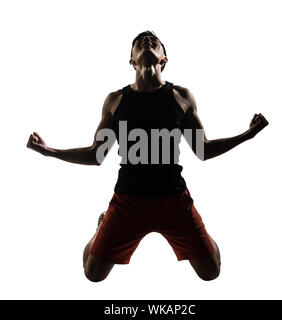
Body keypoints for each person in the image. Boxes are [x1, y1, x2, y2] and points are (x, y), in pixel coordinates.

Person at [27, 31, 268, 282]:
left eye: (154, 41)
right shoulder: (115, 100)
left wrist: (247, 135)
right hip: (128, 202)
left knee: (211, 272)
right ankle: (101, 228)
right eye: (139, 42)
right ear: (131, 60)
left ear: (164, 59)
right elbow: (96, 155)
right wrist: (48, 151)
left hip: (174, 201)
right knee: (92, 274)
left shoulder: (181, 97)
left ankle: (202, 237)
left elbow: (203, 150)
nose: (146, 41)